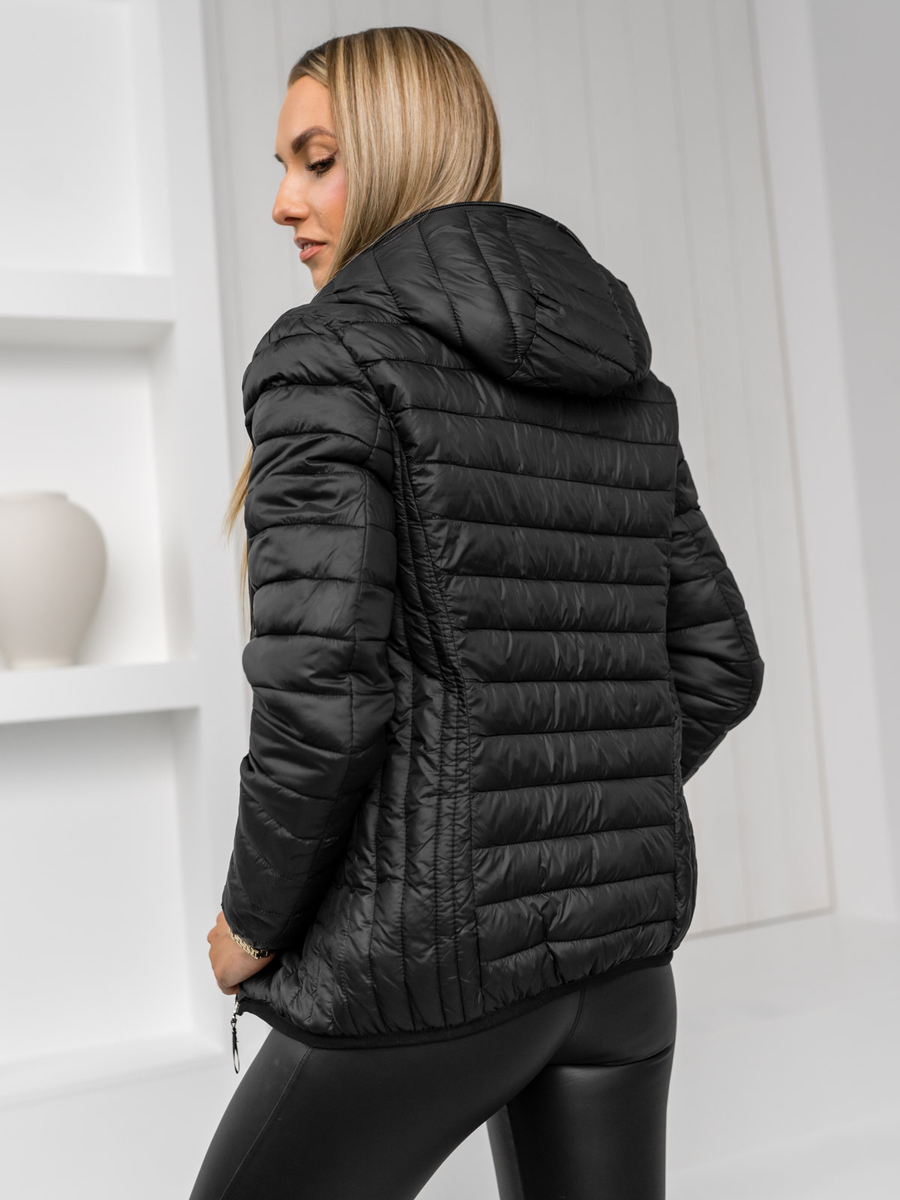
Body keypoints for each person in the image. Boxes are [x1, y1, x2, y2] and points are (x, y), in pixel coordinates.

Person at [190, 25, 764, 1200]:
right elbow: (719, 660)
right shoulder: (620, 375)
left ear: (403, 152)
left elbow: (322, 703)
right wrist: (572, 825)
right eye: (284, 165)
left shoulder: (327, 358)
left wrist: (252, 924)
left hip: (424, 969)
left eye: (317, 160)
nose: (283, 201)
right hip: (618, 972)